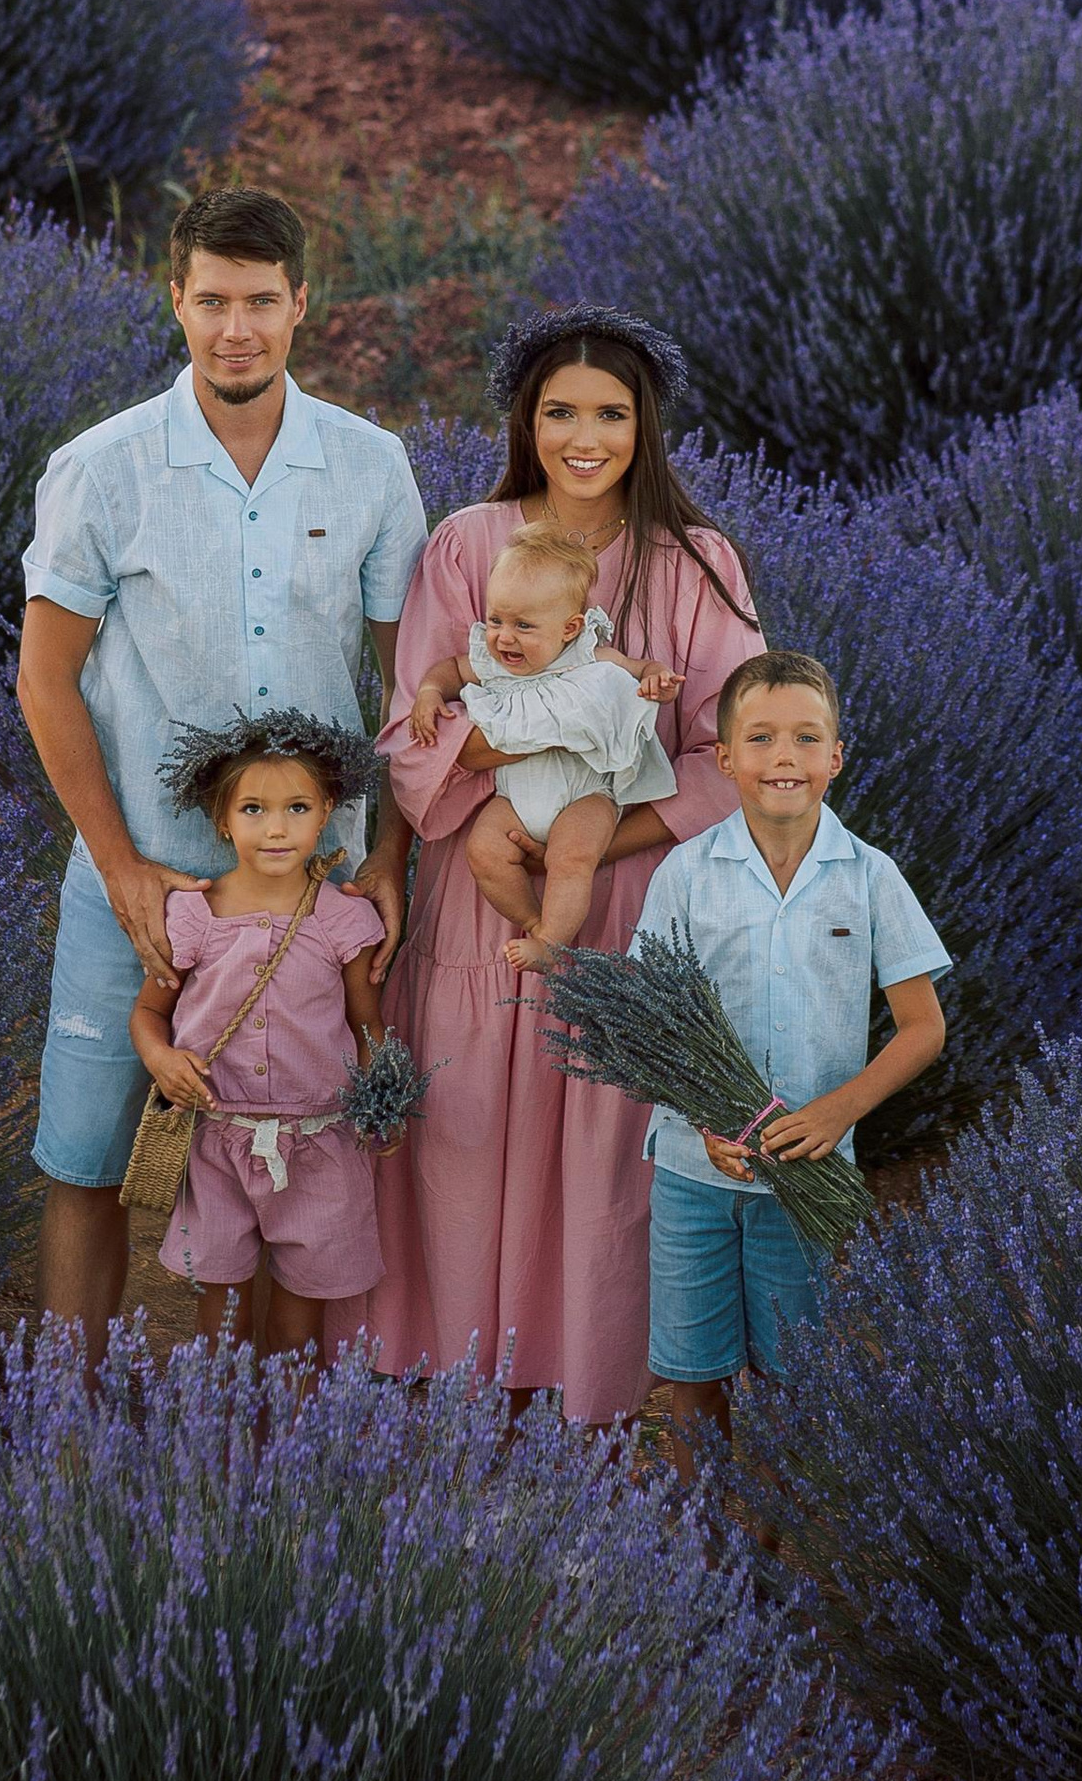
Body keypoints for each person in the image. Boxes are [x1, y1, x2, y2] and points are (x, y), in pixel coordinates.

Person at [16, 186, 428, 1346]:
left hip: (316, 897)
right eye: (211, 301)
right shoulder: (101, 470)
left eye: (259, 301)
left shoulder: (369, 466)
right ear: (175, 301)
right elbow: (45, 681)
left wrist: (389, 854)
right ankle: (72, 1413)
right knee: (90, 1154)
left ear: (303, 303)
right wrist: (123, 867)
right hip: (139, 884)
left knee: (302, 1158)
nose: (234, 328)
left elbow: (412, 689)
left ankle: (266, 1429)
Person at [360, 304, 762, 1421]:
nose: (584, 436)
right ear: (523, 422)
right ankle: (455, 1373)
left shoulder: (695, 562)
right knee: (467, 1133)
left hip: (621, 890)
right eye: (558, 412)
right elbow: (411, 735)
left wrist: (592, 836)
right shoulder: (468, 543)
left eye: (610, 413)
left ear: (647, 427)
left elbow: (728, 753)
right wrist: (544, 752)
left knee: (601, 1148)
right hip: (478, 879)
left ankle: (597, 1381)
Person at [630, 648, 951, 1477]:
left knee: (791, 1372)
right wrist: (702, 1123)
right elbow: (649, 1020)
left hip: (805, 1176)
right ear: (725, 758)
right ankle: (707, 1552)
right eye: (762, 738)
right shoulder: (686, 874)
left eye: (807, 739)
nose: (785, 758)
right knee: (693, 1373)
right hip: (693, 1171)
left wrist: (840, 1111)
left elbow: (922, 1029)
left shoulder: (870, 877)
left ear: (837, 757)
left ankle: (769, 1554)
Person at [132, 711, 398, 1363]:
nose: (276, 828)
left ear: (327, 810)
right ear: (221, 819)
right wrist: (160, 1058)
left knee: (297, 1331)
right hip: (216, 1145)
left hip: (319, 1144)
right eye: (253, 808)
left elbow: (369, 1024)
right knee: (220, 1325)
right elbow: (148, 1014)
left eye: (296, 807)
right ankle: (218, 1444)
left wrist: (383, 1098)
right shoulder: (193, 915)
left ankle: (289, 1446)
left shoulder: (343, 918)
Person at [404, 521, 682, 974]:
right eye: (496, 620)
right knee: (484, 852)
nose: (504, 637)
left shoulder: (591, 657)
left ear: (570, 628)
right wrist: (429, 694)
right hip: (515, 798)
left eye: (523, 625)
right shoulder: (491, 664)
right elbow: (448, 670)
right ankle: (534, 920)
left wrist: (657, 680)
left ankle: (554, 940)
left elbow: (642, 668)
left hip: (586, 795)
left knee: (572, 858)